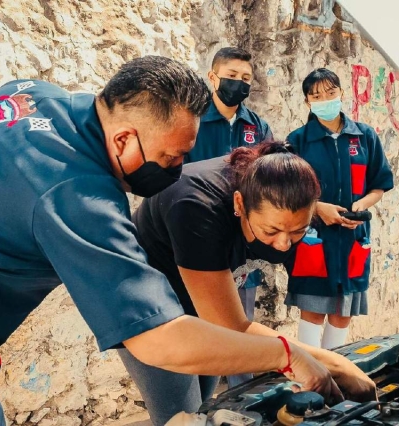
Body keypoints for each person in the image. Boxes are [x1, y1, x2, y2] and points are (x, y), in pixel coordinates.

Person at [0, 57, 339, 426]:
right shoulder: (77, 196)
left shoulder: (31, 93)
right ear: (123, 137)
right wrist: (285, 353)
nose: (177, 170)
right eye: (171, 156)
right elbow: (158, 341)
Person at [124, 142, 378, 426]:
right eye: (271, 231)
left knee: (208, 404)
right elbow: (230, 327)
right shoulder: (194, 206)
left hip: (200, 295)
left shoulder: (273, 176)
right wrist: (332, 362)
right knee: (185, 417)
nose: (283, 244)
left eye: (297, 231)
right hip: (146, 305)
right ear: (239, 204)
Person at [284, 68, 394, 350]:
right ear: (308, 102)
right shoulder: (297, 141)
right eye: (316, 95)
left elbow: (379, 185)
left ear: (342, 93)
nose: (325, 99)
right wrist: (318, 208)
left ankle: (335, 369)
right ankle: (308, 371)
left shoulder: (365, 136)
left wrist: (361, 206)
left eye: (331, 93)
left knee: (343, 312)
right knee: (312, 309)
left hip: (353, 237)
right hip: (313, 235)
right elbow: (287, 189)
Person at [185, 47, 274, 388]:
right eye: (232, 76)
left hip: (240, 238)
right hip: (197, 232)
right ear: (213, 77)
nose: (239, 84)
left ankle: (244, 396)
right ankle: (197, 401)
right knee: (199, 322)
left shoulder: (256, 126)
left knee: (241, 322)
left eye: (246, 78)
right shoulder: (192, 118)